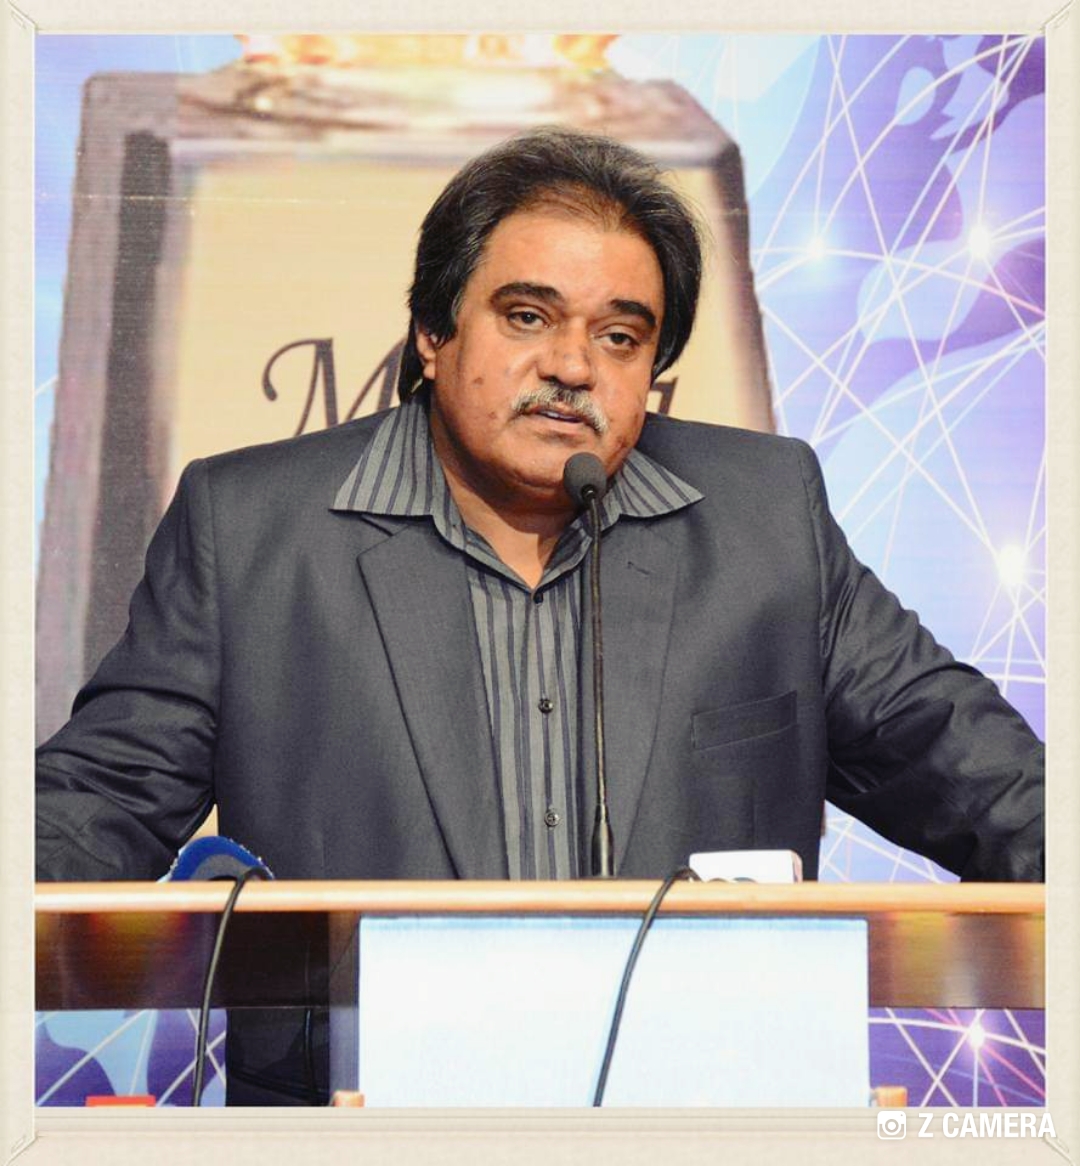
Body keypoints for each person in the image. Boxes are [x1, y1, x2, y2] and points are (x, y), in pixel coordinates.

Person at [36, 127, 1044, 1104]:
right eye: (527, 316)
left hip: (702, 1114)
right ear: (433, 332)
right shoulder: (251, 530)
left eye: (619, 336)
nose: (572, 365)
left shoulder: (766, 520)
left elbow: (971, 764)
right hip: (362, 1120)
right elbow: (101, 798)